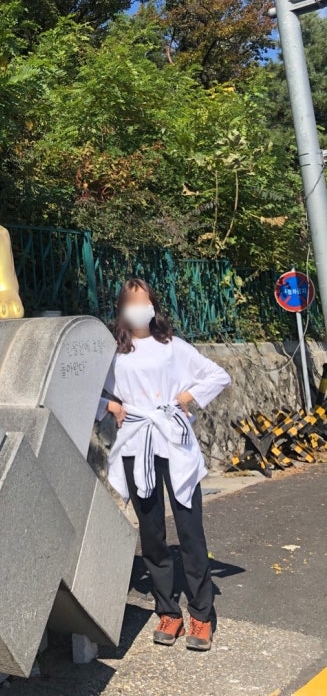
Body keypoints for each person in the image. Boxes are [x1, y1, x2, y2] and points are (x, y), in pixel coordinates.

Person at [96, 278, 231, 651]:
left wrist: (186, 396)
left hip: (175, 442)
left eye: (144, 300)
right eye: (131, 302)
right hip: (137, 443)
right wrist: (112, 406)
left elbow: (218, 375)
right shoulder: (112, 354)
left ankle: (201, 614)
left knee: (190, 529)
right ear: (122, 310)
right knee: (152, 532)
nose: (139, 307)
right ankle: (167, 609)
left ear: (153, 306)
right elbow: (91, 389)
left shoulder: (173, 348)